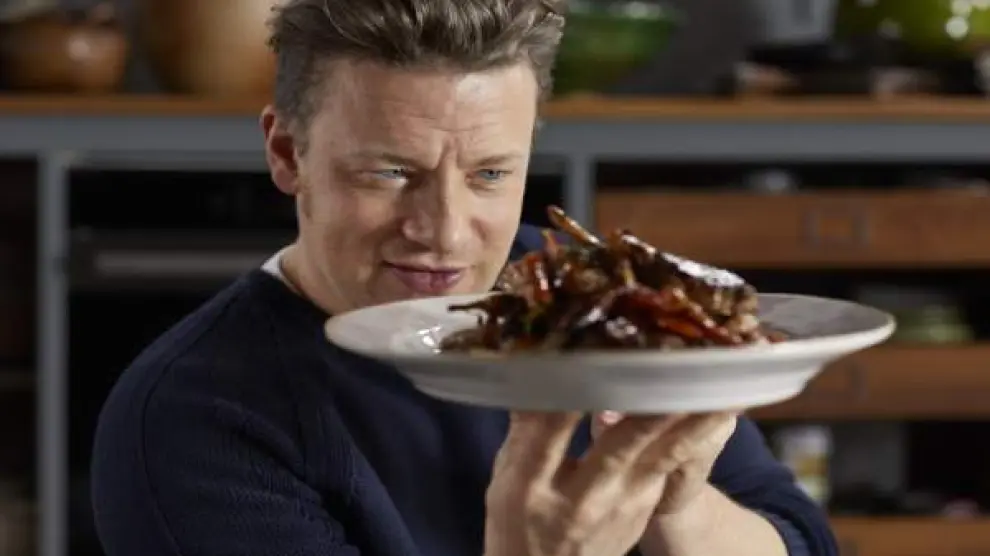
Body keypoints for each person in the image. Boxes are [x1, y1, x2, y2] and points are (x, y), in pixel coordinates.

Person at [90, 0, 838, 555]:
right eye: (390, 173)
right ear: (288, 154)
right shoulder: (193, 419)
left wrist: (679, 510)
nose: (445, 233)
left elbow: (799, 539)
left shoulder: (594, 302)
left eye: (489, 175)